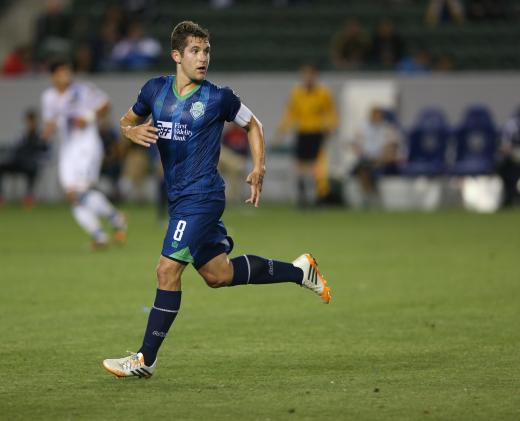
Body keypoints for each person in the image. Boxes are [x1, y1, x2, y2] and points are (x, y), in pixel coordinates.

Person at [102, 21, 331, 379]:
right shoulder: (154, 91)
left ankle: (145, 359)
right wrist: (131, 131)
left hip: (203, 197)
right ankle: (300, 270)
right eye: (195, 51)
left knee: (167, 269)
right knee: (218, 274)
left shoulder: (218, 97)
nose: (203, 57)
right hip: (180, 199)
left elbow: (253, 124)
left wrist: (259, 167)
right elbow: (125, 122)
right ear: (177, 55)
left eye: (207, 51)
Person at [41, 60, 127, 249]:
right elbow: (51, 121)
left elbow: (105, 105)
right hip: (68, 149)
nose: (67, 75)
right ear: (53, 76)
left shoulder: (83, 90)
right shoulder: (49, 97)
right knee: (73, 195)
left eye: (68, 71)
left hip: (87, 146)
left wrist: (88, 117)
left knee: (78, 194)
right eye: (62, 72)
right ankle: (113, 219)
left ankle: (100, 235)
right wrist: (45, 137)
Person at [274, 64, 337, 208]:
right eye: (305, 75)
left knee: (317, 166)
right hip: (302, 132)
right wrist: (281, 132)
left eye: (310, 75)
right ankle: (302, 198)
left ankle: (318, 197)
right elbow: (290, 114)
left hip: (317, 132)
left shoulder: (323, 93)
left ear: (315, 76)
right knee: (300, 166)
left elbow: (330, 111)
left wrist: (331, 126)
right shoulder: (297, 93)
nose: (307, 78)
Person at [0, 109, 49, 210]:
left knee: (33, 169)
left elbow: (46, 154)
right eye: (29, 121)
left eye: (32, 121)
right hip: (18, 162)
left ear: (36, 122)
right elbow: (14, 149)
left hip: (31, 165)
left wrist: (38, 160)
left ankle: (29, 198)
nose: (30, 124)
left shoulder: (42, 137)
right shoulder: (21, 135)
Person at [351, 106, 402, 206]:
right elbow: (355, 144)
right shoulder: (363, 128)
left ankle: (370, 197)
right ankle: (370, 196)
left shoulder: (387, 128)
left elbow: (393, 146)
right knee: (365, 167)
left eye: (379, 116)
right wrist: (363, 154)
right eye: (375, 115)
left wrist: (382, 158)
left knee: (368, 167)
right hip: (367, 159)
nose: (377, 118)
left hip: (383, 160)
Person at [498, 108, 520, 207]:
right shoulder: (512, 125)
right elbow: (504, 148)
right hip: (513, 160)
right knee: (509, 169)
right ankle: (511, 198)